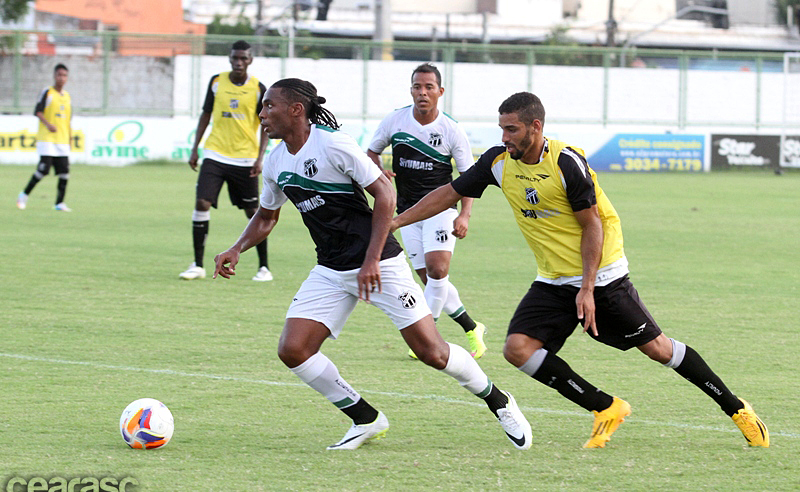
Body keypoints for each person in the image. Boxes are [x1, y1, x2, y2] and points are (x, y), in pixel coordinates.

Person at [392, 92, 769, 449]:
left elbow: (593, 226)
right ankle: (605, 406)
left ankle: (736, 408)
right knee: (518, 349)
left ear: (535, 127)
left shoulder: (565, 162)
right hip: (554, 278)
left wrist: (587, 288)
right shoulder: (498, 162)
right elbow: (448, 194)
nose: (504, 137)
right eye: (501, 129)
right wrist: (395, 223)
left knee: (657, 349)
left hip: (602, 274)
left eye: (512, 129)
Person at [212, 78, 532, 451]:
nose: (262, 113)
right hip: (331, 270)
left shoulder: (334, 144)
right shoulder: (277, 161)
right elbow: (267, 217)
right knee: (294, 349)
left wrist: (370, 260)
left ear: (296, 110)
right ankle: (365, 419)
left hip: (380, 262)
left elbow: (385, 193)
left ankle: (499, 400)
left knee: (433, 352)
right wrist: (236, 248)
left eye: (269, 106)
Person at [367, 63, 487, 360]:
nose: (422, 92)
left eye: (429, 87)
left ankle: (426, 338)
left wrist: (464, 214)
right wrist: (378, 169)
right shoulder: (395, 120)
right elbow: (370, 151)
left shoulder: (451, 129)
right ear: (411, 90)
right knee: (433, 280)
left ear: (440, 92)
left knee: (437, 270)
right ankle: (473, 328)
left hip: (441, 210)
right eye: (417, 87)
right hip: (406, 213)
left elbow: (468, 176)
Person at [180, 40, 272, 282]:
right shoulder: (216, 82)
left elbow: (265, 125)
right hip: (215, 154)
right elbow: (206, 114)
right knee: (201, 202)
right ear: (230, 58)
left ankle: (264, 267)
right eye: (235, 58)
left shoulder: (258, 89)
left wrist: (260, 157)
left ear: (250, 60)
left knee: (255, 211)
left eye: (243, 58)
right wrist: (195, 148)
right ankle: (197, 264)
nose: (238, 62)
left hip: (245, 159)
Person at [17, 64, 73, 212]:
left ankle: (59, 203)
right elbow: (38, 111)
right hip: (47, 139)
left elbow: (68, 120)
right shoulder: (47, 92)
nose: (62, 78)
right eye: (59, 75)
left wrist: (70, 138)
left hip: (62, 140)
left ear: (67, 78)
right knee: (43, 170)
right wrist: (48, 125)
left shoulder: (67, 97)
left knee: (65, 173)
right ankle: (23, 195)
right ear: (55, 76)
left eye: (64, 75)